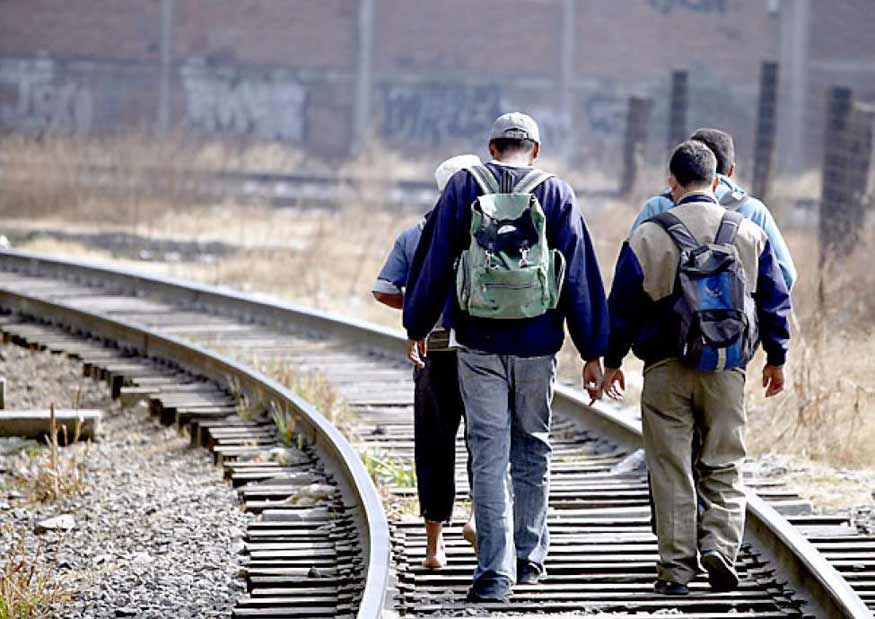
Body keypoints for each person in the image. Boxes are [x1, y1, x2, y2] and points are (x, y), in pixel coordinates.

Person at [403, 112, 609, 603]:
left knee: (488, 453)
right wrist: (594, 351)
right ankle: (529, 558)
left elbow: (434, 263)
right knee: (533, 446)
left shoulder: (462, 188)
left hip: (478, 344)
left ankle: (494, 575)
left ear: (492, 149)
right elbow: (578, 273)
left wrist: (417, 325)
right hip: (539, 345)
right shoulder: (557, 193)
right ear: (534, 151)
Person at [602, 140, 791, 595]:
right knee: (724, 463)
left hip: (665, 369)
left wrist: (612, 362)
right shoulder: (747, 232)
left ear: (672, 182)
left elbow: (622, 307)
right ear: (719, 180)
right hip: (727, 368)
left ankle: (677, 570)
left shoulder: (648, 234)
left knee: (670, 468)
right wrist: (776, 358)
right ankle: (720, 550)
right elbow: (774, 298)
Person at [372, 153, 481, 569]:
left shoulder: (414, 235)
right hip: (481, 352)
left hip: (434, 350)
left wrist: (418, 307)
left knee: (434, 446)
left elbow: (383, 290)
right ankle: (477, 517)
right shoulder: (490, 232)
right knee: (484, 440)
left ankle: (434, 547)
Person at [630, 127, 796, 291]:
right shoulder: (753, 210)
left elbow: (630, 270)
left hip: (664, 316)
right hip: (735, 317)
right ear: (731, 170)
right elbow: (786, 276)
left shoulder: (657, 206)